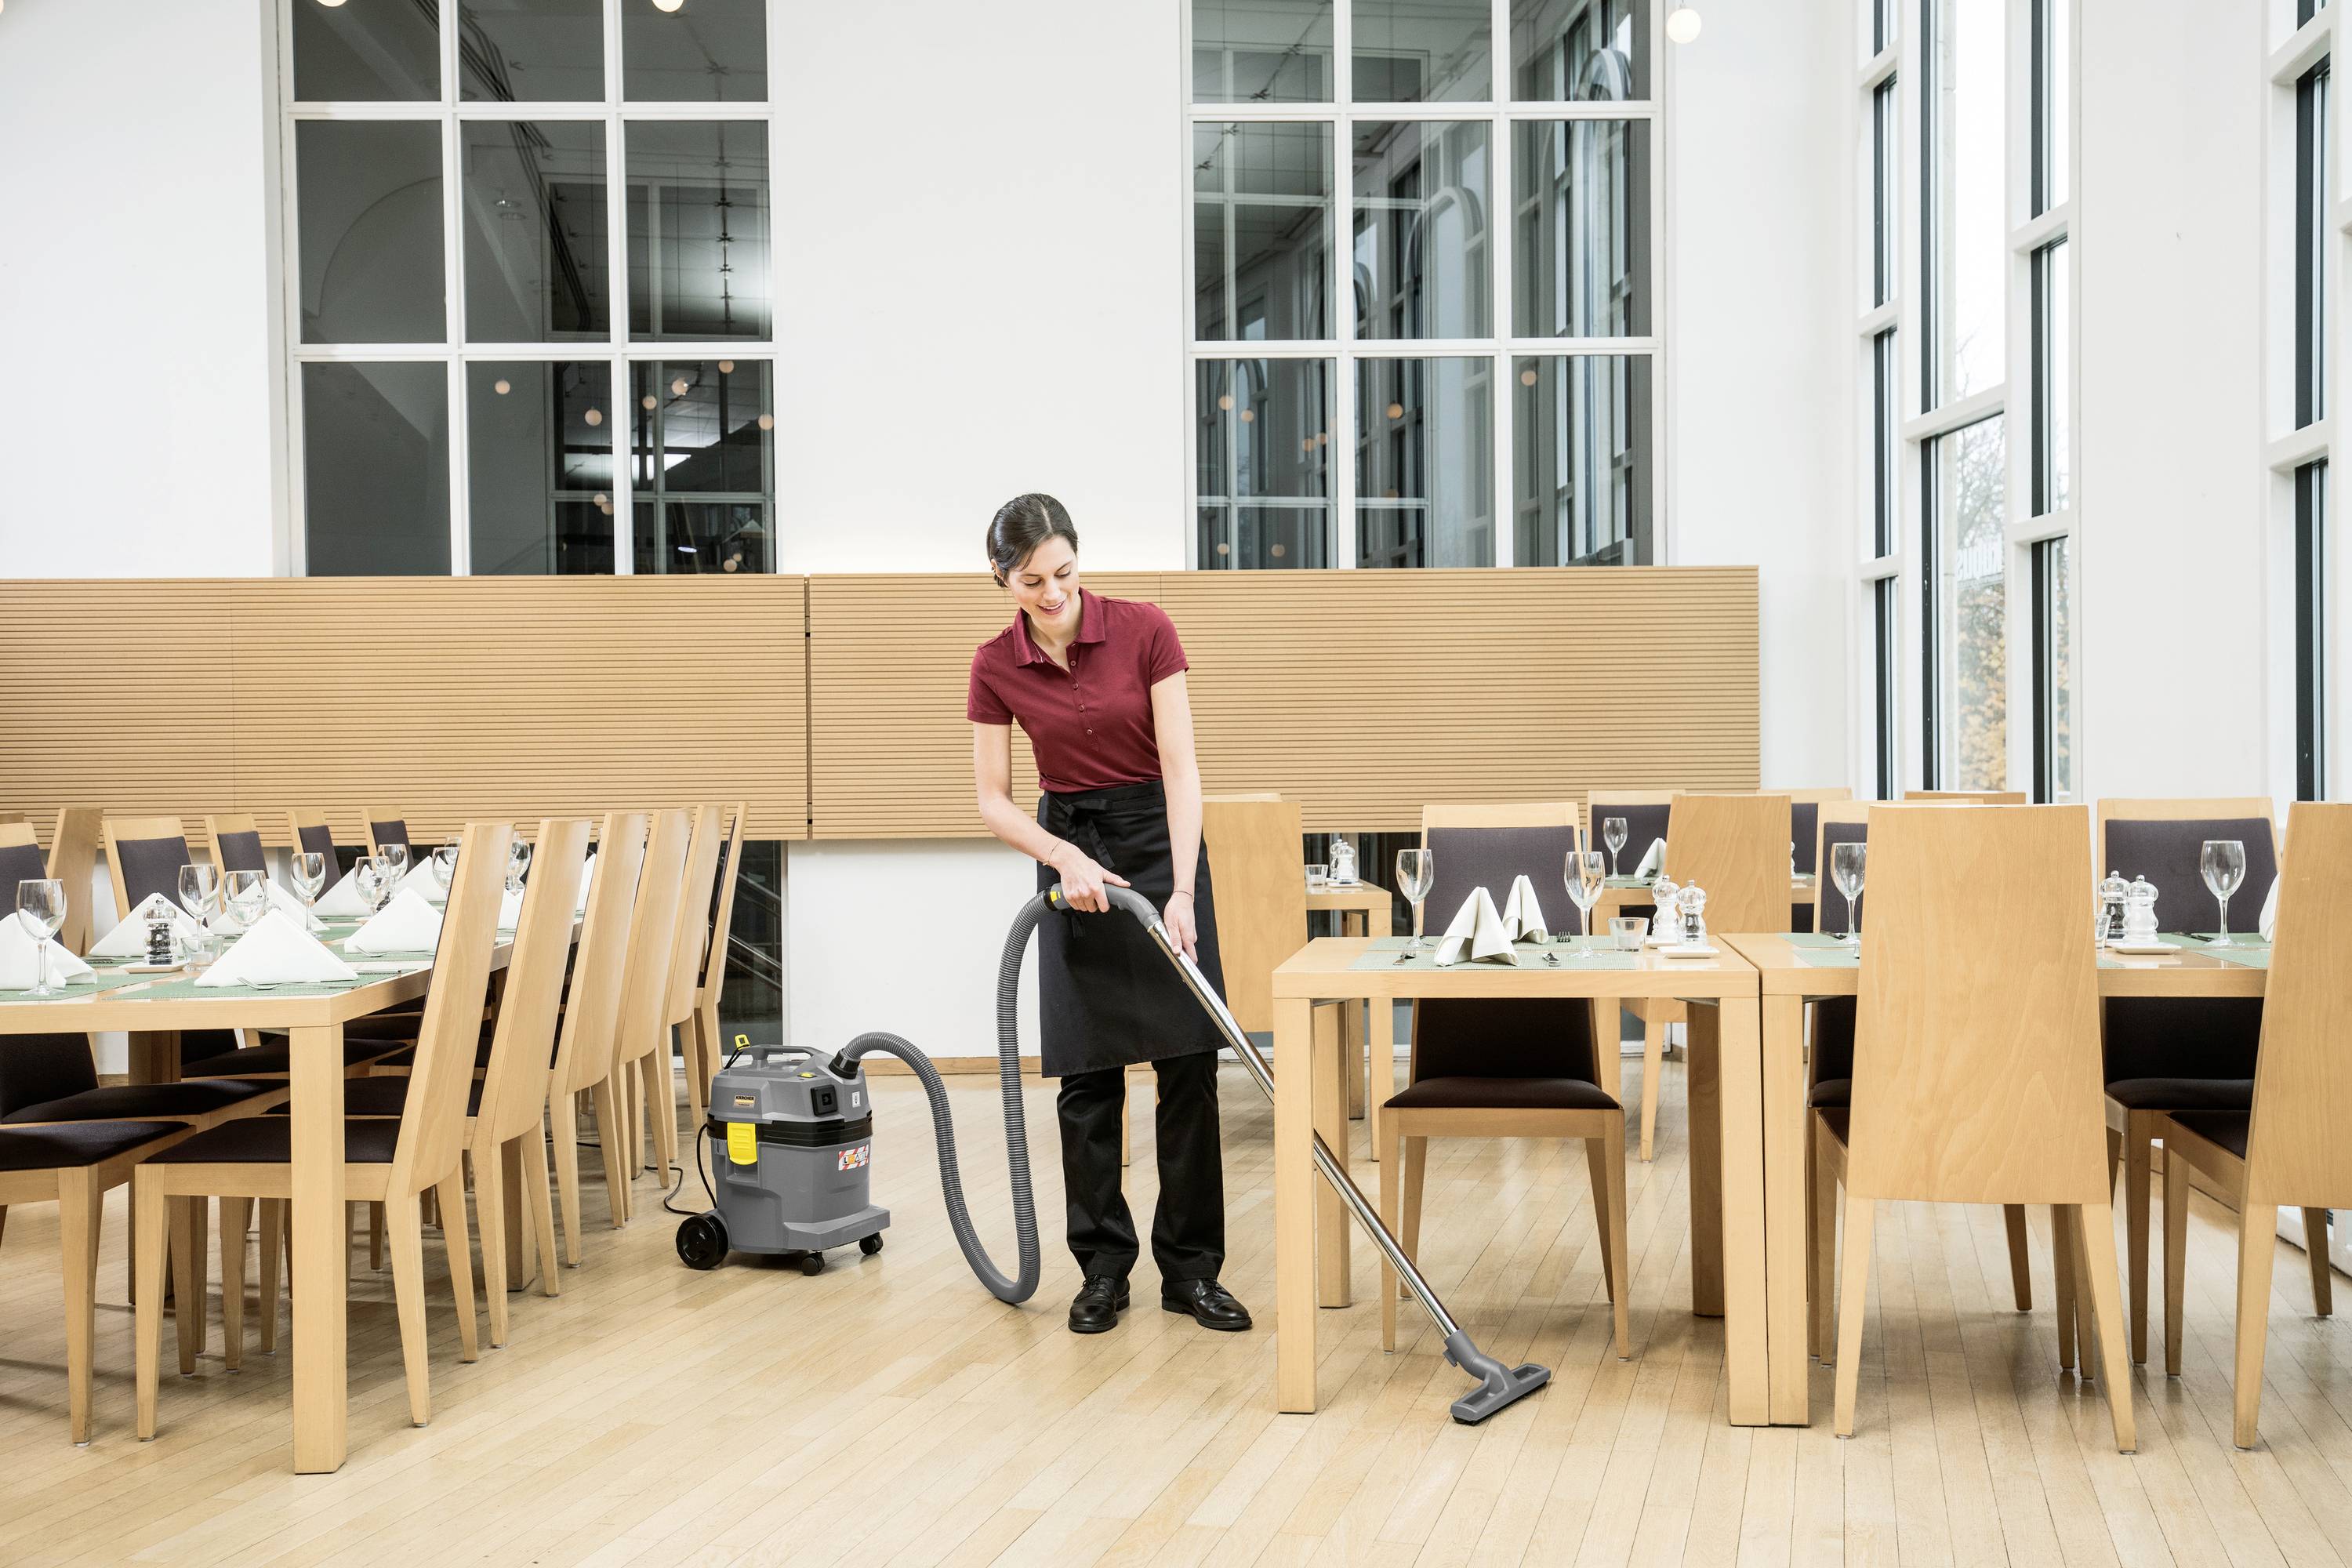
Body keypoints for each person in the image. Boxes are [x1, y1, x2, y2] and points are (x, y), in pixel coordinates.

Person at [968, 493, 1251, 1336]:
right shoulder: (994, 664)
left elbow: (1182, 767)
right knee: (1087, 1076)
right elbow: (992, 798)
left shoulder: (1145, 628)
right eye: (1031, 581)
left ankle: (1191, 1271)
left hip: (1161, 845)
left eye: (1063, 572)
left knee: (1189, 1064)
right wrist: (1062, 855)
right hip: (1072, 850)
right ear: (1001, 578)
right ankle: (1102, 1268)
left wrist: (1183, 890)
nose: (1053, 592)